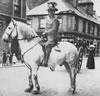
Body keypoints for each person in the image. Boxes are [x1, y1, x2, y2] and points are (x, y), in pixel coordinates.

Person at [42, 2, 60, 67]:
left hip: (53, 37)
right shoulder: (47, 20)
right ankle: (41, 58)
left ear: (53, 12)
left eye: (50, 11)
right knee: (39, 43)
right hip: (47, 36)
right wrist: (44, 33)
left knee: (47, 45)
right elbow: (46, 28)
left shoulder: (56, 21)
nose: (49, 13)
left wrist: (46, 32)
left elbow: (54, 30)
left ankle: (46, 61)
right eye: (49, 11)